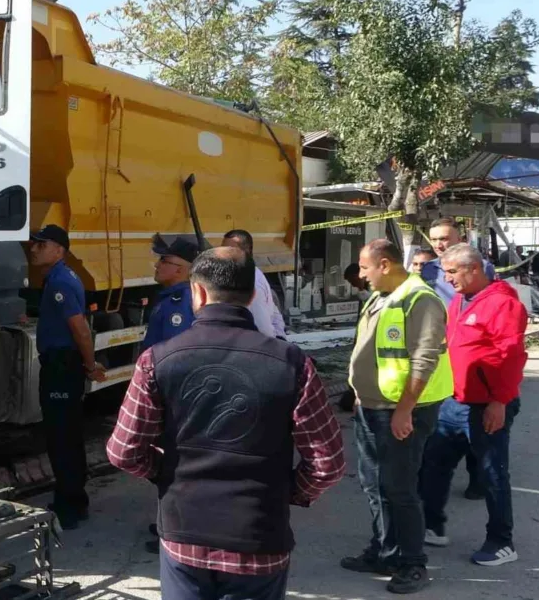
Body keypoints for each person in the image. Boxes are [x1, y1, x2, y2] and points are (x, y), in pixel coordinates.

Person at [107, 246, 345, 600]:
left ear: (197, 292)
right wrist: (289, 491)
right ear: (252, 295)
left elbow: (124, 452)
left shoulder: (156, 360)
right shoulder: (292, 363)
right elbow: (328, 464)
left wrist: (165, 471)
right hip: (259, 536)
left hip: (184, 532)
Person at [342, 239, 452, 595]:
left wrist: (404, 410)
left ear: (385, 264)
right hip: (373, 407)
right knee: (374, 485)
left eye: (364, 267)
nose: (361, 275)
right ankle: (384, 550)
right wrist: (359, 394)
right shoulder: (380, 296)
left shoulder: (420, 300)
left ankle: (412, 563)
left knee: (400, 489)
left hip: (402, 412)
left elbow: (424, 359)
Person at [419, 243, 526, 567]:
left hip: (485, 405)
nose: (447, 278)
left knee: (492, 473)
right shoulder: (460, 302)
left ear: (474, 269)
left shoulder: (502, 304)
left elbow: (510, 358)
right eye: (445, 272)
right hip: (455, 401)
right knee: (434, 464)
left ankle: (501, 541)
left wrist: (499, 402)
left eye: (452, 272)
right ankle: (432, 525)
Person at [29, 224, 106, 529]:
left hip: (63, 365)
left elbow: (80, 329)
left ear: (59, 250)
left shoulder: (60, 281)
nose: (33, 249)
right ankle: (72, 497)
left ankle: (70, 505)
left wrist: (89, 366)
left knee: (62, 436)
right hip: (63, 363)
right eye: (33, 244)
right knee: (66, 434)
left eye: (41, 244)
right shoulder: (62, 276)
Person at [420, 217, 492, 501]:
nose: (439, 244)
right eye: (435, 239)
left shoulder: (478, 268)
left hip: (466, 347)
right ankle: (430, 479)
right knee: (437, 418)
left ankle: (478, 477)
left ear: (460, 238)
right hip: (436, 347)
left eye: (445, 238)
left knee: (469, 418)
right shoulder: (427, 269)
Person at [140, 234, 199, 553]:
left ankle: (178, 531)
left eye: (165, 261)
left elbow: (174, 358)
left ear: (181, 269)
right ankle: (170, 521)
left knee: (176, 464)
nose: (158, 264)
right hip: (171, 396)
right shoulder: (170, 297)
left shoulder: (182, 302)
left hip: (175, 398)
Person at [222, 229, 287, 338]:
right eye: (222, 248)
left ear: (246, 251)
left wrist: (274, 343)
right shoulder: (252, 273)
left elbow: (262, 327)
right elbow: (273, 311)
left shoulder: (251, 282)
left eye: (230, 250)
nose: (223, 254)